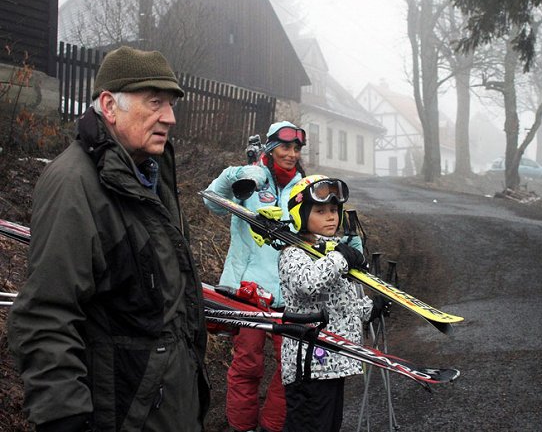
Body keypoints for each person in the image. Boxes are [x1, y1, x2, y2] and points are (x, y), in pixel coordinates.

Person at [7, 46, 210, 432]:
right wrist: (64, 420)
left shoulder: (149, 173)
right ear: (109, 106)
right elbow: (45, 316)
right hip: (123, 416)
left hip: (170, 410)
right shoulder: (74, 184)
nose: (170, 117)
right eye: (155, 102)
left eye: (170, 104)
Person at [203, 121, 307, 432]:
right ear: (271, 148)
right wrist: (238, 174)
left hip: (288, 292)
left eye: (296, 148)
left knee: (290, 367)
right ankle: (243, 426)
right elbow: (212, 202)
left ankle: (272, 425)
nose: (290, 154)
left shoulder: (305, 187)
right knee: (247, 364)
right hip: (247, 290)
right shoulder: (249, 178)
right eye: (285, 147)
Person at [278, 175, 387, 432]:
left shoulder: (329, 250)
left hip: (334, 362)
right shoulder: (292, 254)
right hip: (309, 367)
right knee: (307, 426)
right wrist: (339, 257)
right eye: (320, 210)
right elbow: (308, 284)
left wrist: (368, 310)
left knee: (329, 425)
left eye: (334, 210)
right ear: (300, 214)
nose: (331, 217)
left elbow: (341, 299)